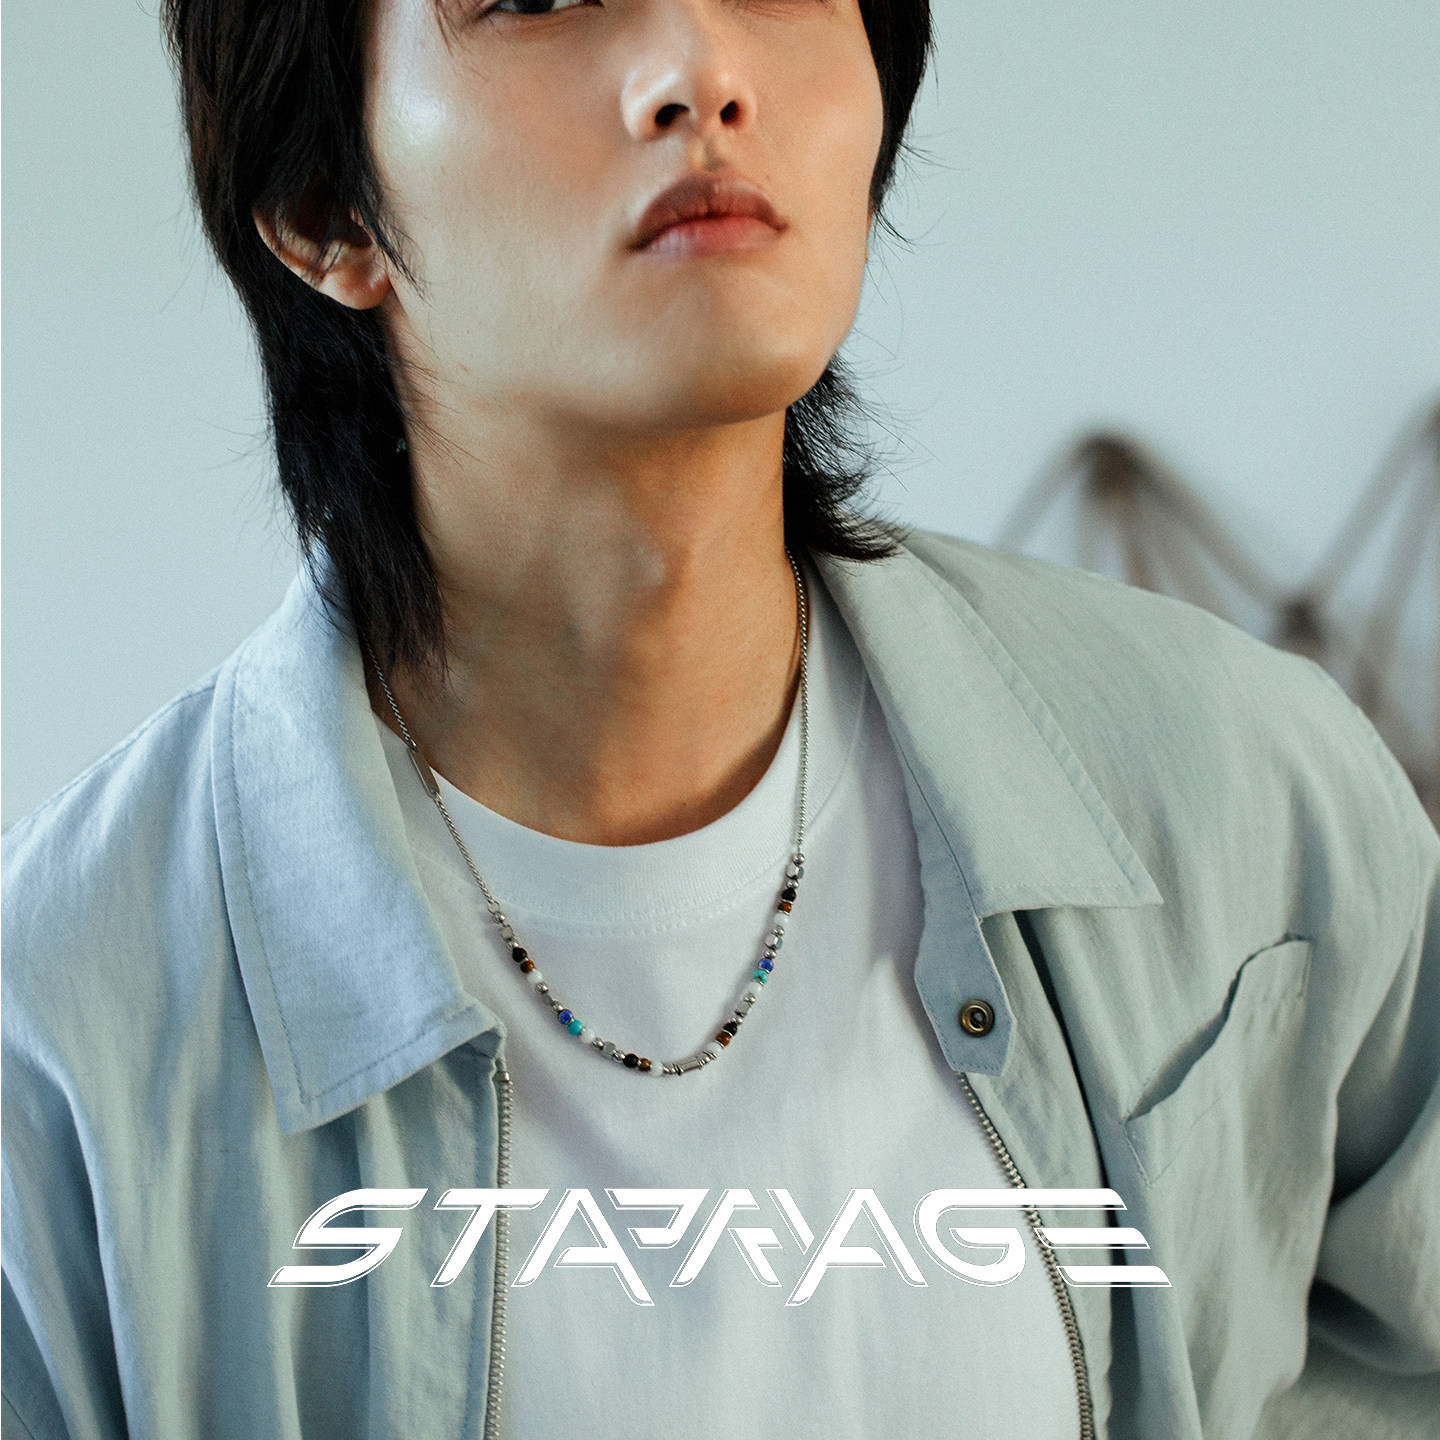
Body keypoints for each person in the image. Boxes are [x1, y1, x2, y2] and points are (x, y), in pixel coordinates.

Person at [3, 0, 1437, 1434]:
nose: (702, 71)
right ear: (324, 206)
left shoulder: (1242, 782)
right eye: (542, 1)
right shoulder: (68, 1015)